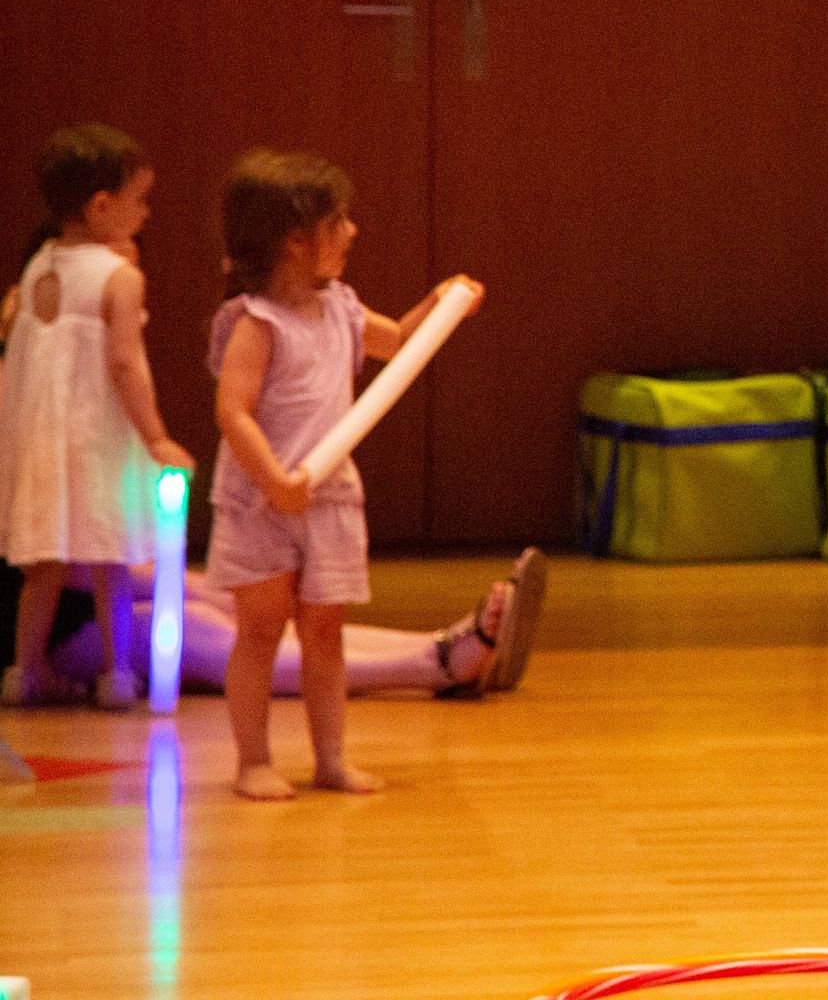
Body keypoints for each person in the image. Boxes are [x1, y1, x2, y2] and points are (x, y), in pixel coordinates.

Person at [207, 149, 485, 800]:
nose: (354, 231)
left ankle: (329, 759)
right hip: (261, 500)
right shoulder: (257, 322)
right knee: (260, 631)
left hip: (328, 499)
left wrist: (441, 304)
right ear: (295, 241)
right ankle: (253, 761)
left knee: (325, 631)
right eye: (339, 221)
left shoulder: (342, 309)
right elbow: (233, 411)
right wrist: (274, 479)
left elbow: (400, 343)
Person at [0, 125, 196, 709]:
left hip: (41, 438)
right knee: (111, 559)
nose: (146, 213)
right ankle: (117, 675)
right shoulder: (120, 278)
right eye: (140, 200)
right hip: (98, 437)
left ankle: (24, 672)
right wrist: (156, 438)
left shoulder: (38, 268)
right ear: (102, 206)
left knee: (46, 565)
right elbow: (124, 362)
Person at [9, 549, 547, 699]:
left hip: (84, 598)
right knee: (200, 629)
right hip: (53, 631)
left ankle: (440, 646)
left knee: (237, 610)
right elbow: (58, 566)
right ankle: (438, 667)